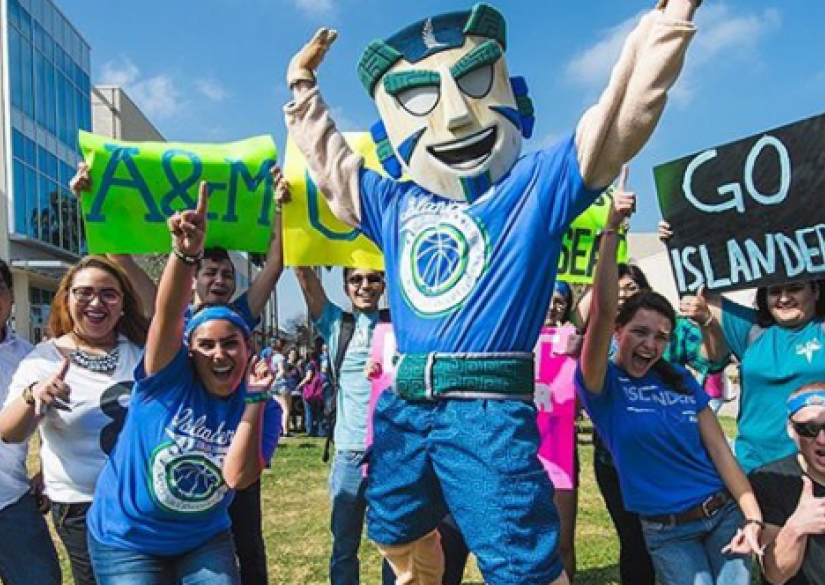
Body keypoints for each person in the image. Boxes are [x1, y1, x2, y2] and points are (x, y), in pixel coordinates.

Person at [285, 1, 699, 582]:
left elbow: (618, 117)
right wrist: (302, 88)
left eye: (474, 80)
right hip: (405, 407)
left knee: (520, 560)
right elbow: (333, 166)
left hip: (486, 409)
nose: (454, 117)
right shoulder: (396, 203)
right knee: (391, 525)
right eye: (419, 98)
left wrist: (665, 24)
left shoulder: (534, 187)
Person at [71, 163, 287, 585]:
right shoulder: (167, 370)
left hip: (203, 532)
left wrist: (281, 209)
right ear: (188, 348)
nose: (219, 353)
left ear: (249, 347)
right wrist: (95, 204)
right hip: (127, 538)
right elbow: (163, 311)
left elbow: (238, 478)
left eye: (230, 344)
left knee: (247, 552)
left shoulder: (245, 336)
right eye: (206, 345)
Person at [576, 174, 762, 584]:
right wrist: (611, 230)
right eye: (640, 332)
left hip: (724, 514)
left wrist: (753, 517)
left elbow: (720, 453)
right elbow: (603, 312)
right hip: (667, 532)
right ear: (618, 332)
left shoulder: (678, 378)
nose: (650, 344)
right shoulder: (601, 383)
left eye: (661, 336)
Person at [0, 256, 149, 585]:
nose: (96, 302)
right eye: (83, 293)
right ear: (66, 299)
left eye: (109, 294)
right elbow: (9, 432)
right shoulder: (43, 358)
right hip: (82, 505)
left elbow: (166, 309)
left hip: (144, 501)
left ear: (123, 303)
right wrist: (33, 396)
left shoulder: (142, 352)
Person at [294, 265, 386, 585]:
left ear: (383, 283)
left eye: (373, 278)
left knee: (397, 544)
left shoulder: (398, 324)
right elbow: (305, 278)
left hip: (391, 455)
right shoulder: (337, 324)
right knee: (344, 547)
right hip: (349, 453)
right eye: (356, 279)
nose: (365, 286)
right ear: (345, 286)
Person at [0, 259, 62, 585]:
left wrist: (48, 470)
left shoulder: (33, 357)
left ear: (10, 297)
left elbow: (60, 419)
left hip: (11, 501)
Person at [749, 383, 825, 585]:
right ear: (791, 429)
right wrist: (797, 527)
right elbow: (776, 575)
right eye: (809, 429)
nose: (822, 439)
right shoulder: (770, 479)